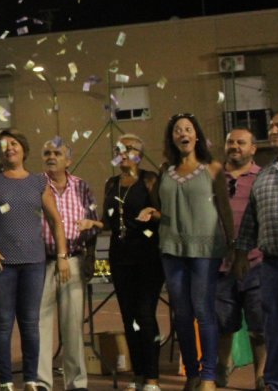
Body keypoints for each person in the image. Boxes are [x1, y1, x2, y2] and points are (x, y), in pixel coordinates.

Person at [139, 113, 237, 391]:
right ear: (172, 137)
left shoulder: (213, 169)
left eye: (188, 129)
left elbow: (225, 210)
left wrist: (232, 244)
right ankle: (192, 373)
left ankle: (208, 375)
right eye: (177, 130)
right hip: (172, 248)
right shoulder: (164, 170)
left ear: (196, 136)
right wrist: (151, 212)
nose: (183, 133)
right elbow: (162, 207)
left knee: (204, 310)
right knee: (181, 314)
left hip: (206, 249)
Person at [0, 129, 68, 391]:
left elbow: (56, 222)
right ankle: (5, 381)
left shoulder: (39, 182)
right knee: (2, 323)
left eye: (14, 143)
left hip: (33, 262)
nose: (9, 148)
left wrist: (61, 256)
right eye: (3, 145)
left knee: (30, 323)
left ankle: (31, 380)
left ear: (23, 149)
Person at [236, 108, 278, 391]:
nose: (273, 129)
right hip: (275, 266)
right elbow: (251, 220)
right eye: (272, 126)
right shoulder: (263, 176)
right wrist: (241, 253)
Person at [36, 138, 100, 391]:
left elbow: (97, 222)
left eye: (57, 153)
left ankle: (76, 383)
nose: (51, 156)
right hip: (42, 262)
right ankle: (42, 382)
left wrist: (90, 226)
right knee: (40, 324)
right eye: (47, 152)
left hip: (73, 260)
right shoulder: (36, 185)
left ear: (68, 160)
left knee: (73, 325)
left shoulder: (82, 187)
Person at [102, 133, 164, 391]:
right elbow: (107, 221)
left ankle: (152, 378)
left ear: (139, 152)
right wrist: (93, 225)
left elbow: (165, 213)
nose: (123, 152)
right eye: (119, 148)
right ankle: (137, 375)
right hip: (119, 257)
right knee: (129, 318)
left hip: (148, 256)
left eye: (128, 148)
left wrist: (153, 213)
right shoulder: (111, 183)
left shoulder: (150, 180)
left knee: (145, 315)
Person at [215, 128, 265, 389]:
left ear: (253, 148)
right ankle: (222, 370)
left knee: (259, 326)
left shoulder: (263, 177)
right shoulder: (213, 178)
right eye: (230, 142)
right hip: (221, 265)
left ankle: (261, 377)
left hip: (256, 262)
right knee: (223, 323)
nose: (235, 146)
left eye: (241, 142)